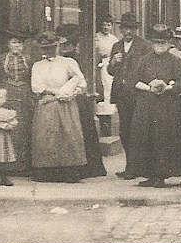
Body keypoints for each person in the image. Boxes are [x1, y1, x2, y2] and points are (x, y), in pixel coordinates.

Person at [126, 25, 181, 188]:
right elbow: (133, 81)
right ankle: (149, 174)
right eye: (157, 42)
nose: (160, 45)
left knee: (164, 139)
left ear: (169, 44)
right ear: (152, 43)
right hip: (146, 106)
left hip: (166, 107)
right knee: (145, 138)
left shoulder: (176, 61)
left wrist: (167, 87)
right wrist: (148, 87)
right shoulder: (143, 60)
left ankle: (161, 175)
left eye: (164, 43)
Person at [30, 32, 88, 183]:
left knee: (67, 135)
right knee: (47, 136)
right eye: (45, 48)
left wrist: (70, 92)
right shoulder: (37, 66)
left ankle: (69, 171)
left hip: (65, 105)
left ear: (57, 47)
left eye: (52, 47)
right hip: (47, 104)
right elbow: (37, 87)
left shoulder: (67, 62)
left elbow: (81, 82)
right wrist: (55, 92)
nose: (49, 51)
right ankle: (47, 171)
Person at [56, 24, 106, 179]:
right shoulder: (63, 59)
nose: (64, 48)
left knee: (79, 129)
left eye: (67, 45)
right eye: (62, 45)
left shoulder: (73, 60)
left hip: (75, 97)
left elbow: (80, 80)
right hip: (68, 96)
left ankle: (84, 167)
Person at [107, 12, 152, 179]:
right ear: (121, 29)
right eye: (125, 28)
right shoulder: (116, 46)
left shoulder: (144, 46)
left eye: (131, 29)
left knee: (138, 130)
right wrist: (113, 62)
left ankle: (139, 167)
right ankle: (129, 166)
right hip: (121, 94)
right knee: (125, 130)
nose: (128, 32)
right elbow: (111, 72)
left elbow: (148, 69)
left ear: (136, 30)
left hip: (138, 94)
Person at [0, 30, 34, 174]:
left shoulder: (29, 60)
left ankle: (23, 165)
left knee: (24, 128)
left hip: (25, 97)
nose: (17, 46)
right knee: (7, 127)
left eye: (19, 43)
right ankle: (7, 166)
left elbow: (33, 79)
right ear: (8, 44)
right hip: (6, 96)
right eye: (14, 42)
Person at [94, 14, 119, 106]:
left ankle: (110, 109)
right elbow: (95, 52)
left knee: (110, 86)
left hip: (111, 64)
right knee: (102, 86)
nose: (106, 27)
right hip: (101, 64)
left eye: (108, 25)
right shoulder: (96, 37)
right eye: (104, 25)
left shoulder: (113, 39)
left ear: (112, 26)